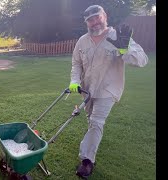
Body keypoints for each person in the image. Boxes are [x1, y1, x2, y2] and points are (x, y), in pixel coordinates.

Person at [68, 4, 148, 179]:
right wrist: (74, 81)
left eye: (97, 17)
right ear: (86, 23)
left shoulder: (118, 36)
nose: (94, 22)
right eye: (90, 20)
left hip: (108, 89)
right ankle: (92, 144)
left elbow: (142, 60)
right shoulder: (82, 41)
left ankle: (87, 160)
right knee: (91, 120)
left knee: (97, 121)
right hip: (87, 90)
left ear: (105, 16)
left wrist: (124, 50)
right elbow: (76, 63)